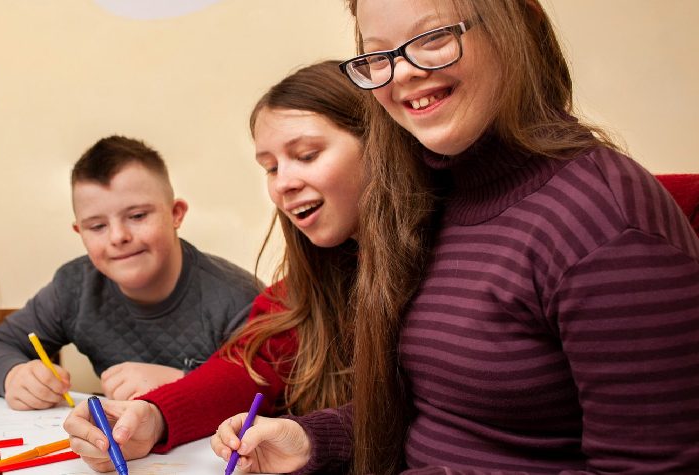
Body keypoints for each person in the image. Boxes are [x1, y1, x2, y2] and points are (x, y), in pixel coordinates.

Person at [213, 1, 699, 473]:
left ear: (516, 27)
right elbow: (441, 415)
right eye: (379, 55)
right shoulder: (434, 196)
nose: (402, 73)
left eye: (433, 38)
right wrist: (312, 438)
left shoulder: (605, 220)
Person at [62, 61, 386, 472]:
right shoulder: (307, 286)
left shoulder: (445, 266)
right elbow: (252, 366)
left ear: (380, 145)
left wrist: (311, 438)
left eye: (306, 155)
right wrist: (153, 416)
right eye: (270, 167)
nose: (282, 183)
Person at [0, 135, 259, 410]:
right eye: (97, 226)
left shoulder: (239, 298)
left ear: (175, 214)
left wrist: (182, 384)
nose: (118, 236)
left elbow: (277, 392)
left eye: (137, 216)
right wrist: (13, 375)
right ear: (79, 231)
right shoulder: (74, 286)